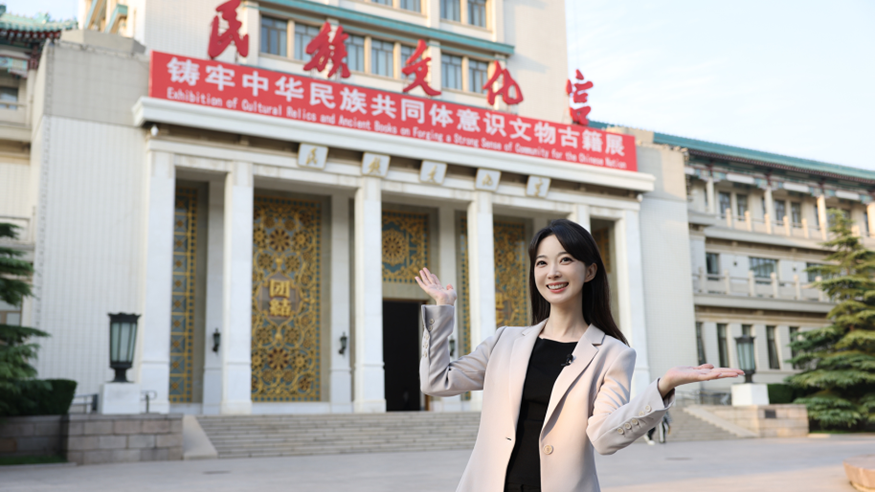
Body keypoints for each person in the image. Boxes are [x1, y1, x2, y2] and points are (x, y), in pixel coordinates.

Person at [415, 219, 743, 492]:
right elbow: (436, 381)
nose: (552, 272)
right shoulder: (506, 340)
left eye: (566, 260)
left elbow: (605, 438)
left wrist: (663, 386)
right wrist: (443, 311)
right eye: (542, 263)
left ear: (589, 271)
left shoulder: (613, 354)